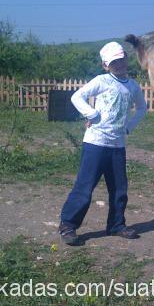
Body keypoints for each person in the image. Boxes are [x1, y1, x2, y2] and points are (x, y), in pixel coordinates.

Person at [58, 41, 147, 245]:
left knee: (119, 188)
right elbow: (77, 96)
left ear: (126, 59)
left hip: (117, 145)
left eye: (121, 60)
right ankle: (68, 225)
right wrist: (91, 113)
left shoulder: (133, 86)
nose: (119, 65)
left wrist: (128, 128)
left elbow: (142, 108)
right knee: (85, 186)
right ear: (106, 65)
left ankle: (116, 225)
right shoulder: (102, 81)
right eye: (114, 62)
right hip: (95, 143)